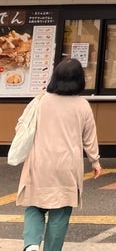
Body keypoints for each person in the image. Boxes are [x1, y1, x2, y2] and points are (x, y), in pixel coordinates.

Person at [16, 58, 102, 251]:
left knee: (34, 205)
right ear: (80, 80)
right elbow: (89, 138)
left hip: (39, 163)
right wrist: (95, 161)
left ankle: (31, 244)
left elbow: (21, 127)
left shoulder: (40, 101)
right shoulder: (82, 106)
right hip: (68, 165)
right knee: (61, 211)